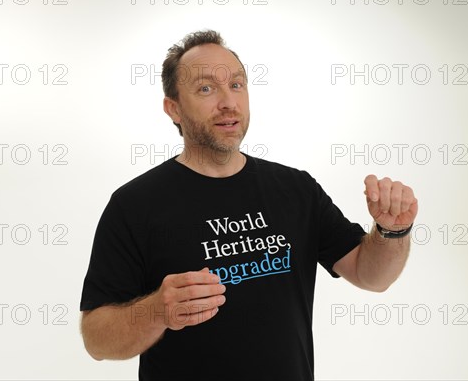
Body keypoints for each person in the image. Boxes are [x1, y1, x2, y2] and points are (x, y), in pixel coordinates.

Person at [80, 30, 418, 381]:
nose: (229, 102)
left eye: (237, 85)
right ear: (174, 108)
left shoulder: (295, 188)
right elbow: (95, 338)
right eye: (206, 88)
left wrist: (392, 231)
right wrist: (156, 312)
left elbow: (370, 275)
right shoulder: (134, 204)